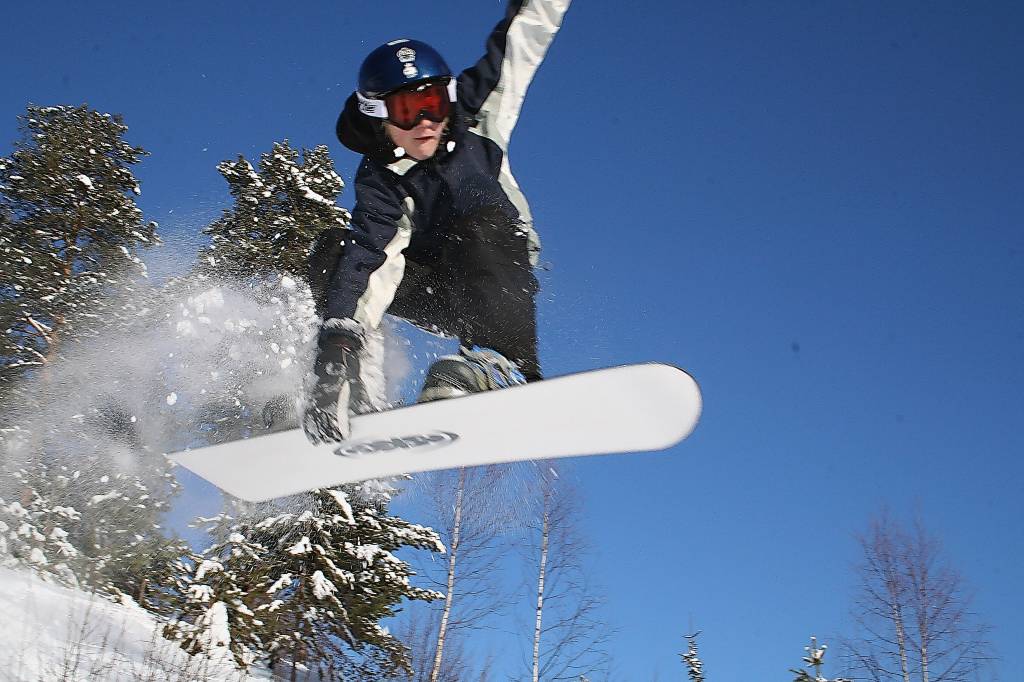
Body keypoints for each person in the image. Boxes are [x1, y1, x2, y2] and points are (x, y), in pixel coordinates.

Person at [303, 0, 572, 444]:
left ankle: (500, 364)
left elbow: (524, 38)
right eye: (407, 110)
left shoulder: (477, 115)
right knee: (337, 253)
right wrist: (337, 349)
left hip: (497, 270)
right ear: (378, 116)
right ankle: (355, 386)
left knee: (478, 222)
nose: (426, 122)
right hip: (434, 291)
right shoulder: (382, 178)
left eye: (432, 103)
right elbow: (371, 258)